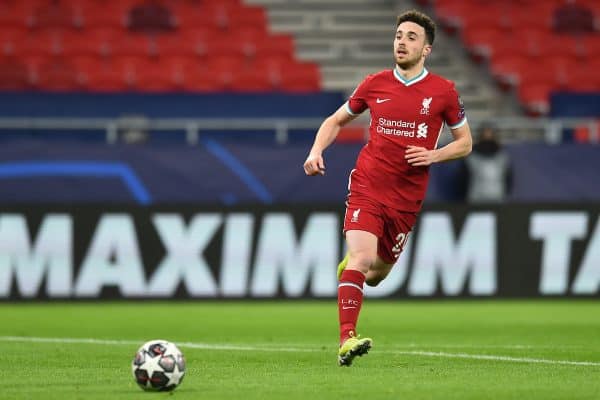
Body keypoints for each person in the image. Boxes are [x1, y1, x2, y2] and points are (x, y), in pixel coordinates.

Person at [303, 10, 472, 367]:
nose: (402, 42)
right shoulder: (374, 83)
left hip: (407, 197)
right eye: (398, 35)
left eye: (412, 37)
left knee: (376, 275)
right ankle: (346, 339)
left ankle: (352, 269)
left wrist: (433, 155)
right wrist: (317, 150)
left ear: (426, 49)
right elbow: (336, 120)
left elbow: (465, 143)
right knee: (363, 260)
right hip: (368, 184)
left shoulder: (443, 92)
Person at [460, 125, 512, 203]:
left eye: (490, 137)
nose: (487, 140)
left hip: (497, 199)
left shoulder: (502, 157)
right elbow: (463, 180)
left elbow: (508, 179)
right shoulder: (471, 158)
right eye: (485, 137)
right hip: (476, 200)